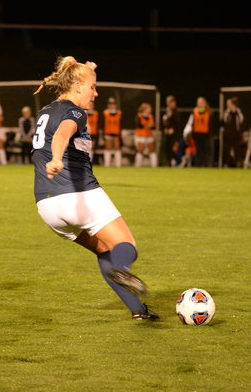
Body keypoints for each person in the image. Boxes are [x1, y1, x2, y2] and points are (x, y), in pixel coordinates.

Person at [32, 56, 157, 321]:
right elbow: (63, 133)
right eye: (93, 87)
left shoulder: (46, 110)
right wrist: (57, 158)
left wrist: (88, 71)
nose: (96, 93)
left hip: (46, 205)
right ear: (77, 86)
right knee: (126, 246)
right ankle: (120, 270)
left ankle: (138, 310)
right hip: (78, 195)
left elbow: (57, 129)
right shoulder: (76, 112)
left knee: (105, 251)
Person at [183, 97, 211, 167]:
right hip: (197, 135)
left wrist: (210, 134)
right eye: (199, 102)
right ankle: (199, 165)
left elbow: (210, 125)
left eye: (202, 102)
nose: (201, 104)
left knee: (206, 151)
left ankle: (206, 165)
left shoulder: (208, 113)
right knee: (198, 151)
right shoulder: (194, 112)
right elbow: (190, 123)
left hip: (205, 135)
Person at [220, 96, 245, 168]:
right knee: (226, 150)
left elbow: (241, 121)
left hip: (236, 135)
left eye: (229, 104)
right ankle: (227, 164)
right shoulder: (226, 112)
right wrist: (223, 131)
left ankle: (237, 164)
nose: (228, 105)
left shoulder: (239, 112)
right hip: (228, 135)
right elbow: (222, 122)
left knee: (237, 150)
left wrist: (235, 112)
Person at [134, 102, 157, 167]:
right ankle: (138, 165)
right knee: (140, 150)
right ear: (144, 109)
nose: (150, 109)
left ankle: (154, 165)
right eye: (148, 108)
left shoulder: (150, 116)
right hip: (141, 135)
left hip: (149, 135)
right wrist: (148, 126)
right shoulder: (139, 116)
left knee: (152, 150)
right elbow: (139, 125)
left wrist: (148, 126)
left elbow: (153, 126)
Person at [161, 95, 182, 167]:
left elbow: (179, 125)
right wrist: (165, 129)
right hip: (167, 136)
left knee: (174, 150)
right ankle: (169, 164)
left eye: (172, 102)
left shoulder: (176, 113)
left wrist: (177, 137)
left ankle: (180, 161)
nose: (171, 104)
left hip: (175, 135)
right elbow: (163, 124)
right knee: (167, 150)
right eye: (169, 103)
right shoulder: (166, 112)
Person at [103, 97, 122, 167]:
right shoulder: (105, 112)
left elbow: (121, 123)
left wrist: (120, 133)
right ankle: (107, 164)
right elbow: (102, 123)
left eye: (113, 104)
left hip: (116, 133)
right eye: (110, 104)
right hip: (108, 132)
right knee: (107, 148)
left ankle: (118, 164)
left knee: (117, 148)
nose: (112, 106)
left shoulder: (119, 113)